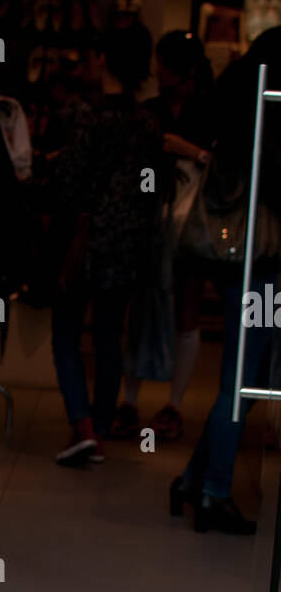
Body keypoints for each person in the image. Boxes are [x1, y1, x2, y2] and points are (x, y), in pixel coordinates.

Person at [171, 26, 281, 534]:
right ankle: (212, 491)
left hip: (241, 260)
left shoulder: (238, 103)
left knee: (243, 377)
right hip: (262, 265)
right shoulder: (265, 108)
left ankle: (195, 481)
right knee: (244, 380)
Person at [50, 24, 163, 465]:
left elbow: (67, 185)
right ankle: (96, 425)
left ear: (104, 59)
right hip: (127, 243)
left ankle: (82, 427)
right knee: (109, 337)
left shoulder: (86, 118)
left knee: (66, 334)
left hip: (83, 242)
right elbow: (154, 189)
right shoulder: (148, 123)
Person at [110, 31, 216, 441]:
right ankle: (130, 400)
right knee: (141, 310)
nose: (158, 71)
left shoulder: (208, 110)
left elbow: (224, 170)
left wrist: (192, 151)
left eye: (165, 64)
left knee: (186, 311)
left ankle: (173, 405)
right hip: (151, 222)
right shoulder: (150, 111)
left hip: (191, 224)